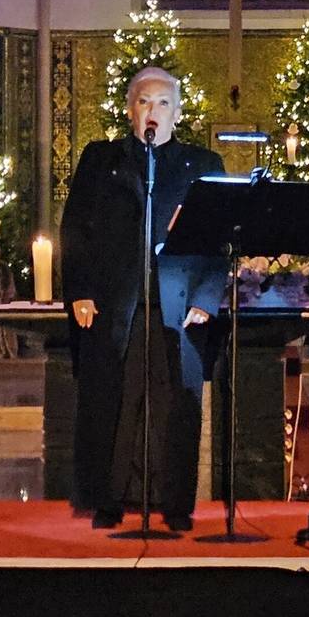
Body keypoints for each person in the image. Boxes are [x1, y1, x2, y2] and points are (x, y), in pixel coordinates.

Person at [61, 66, 228, 532]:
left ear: (177, 113)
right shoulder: (101, 159)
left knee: (177, 403)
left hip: (179, 305)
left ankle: (175, 504)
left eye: (162, 103)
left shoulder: (202, 165)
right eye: (143, 102)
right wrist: (80, 290)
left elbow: (220, 241)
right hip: (117, 303)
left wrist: (208, 296)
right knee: (112, 398)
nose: (151, 112)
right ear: (130, 109)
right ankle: (108, 498)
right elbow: (76, 228)